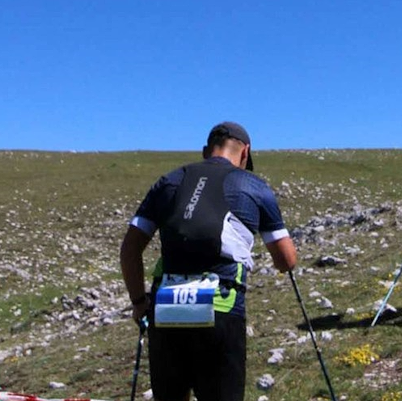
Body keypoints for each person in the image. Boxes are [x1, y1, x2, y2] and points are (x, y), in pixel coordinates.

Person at [119, 121, 298, 401]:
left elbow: (130, 248)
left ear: (205, 151)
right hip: (221, 308)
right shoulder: (254, 186)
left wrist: (139, 303)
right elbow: (286, 260)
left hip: (165, 310)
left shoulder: (169, 181)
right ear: (245, 152)